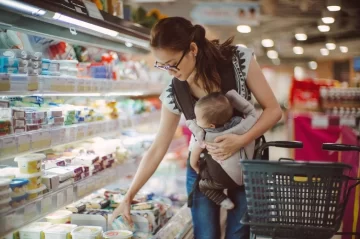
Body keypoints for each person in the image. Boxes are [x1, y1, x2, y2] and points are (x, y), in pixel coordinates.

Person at [111, 17, 282, 239]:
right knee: (205, 235)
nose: (169, 72)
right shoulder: (175, 93)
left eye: (172, 64)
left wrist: (241, 140)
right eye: (162, 65)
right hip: (204, 171)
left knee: (239, 235)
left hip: (246, 164)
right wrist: (128, 197)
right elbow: (158, 147)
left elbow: (273, 110)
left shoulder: (238, 60)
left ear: (192, 49)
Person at [186, 89, 258, 211]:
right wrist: (232, 96)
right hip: (245, 175)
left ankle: (223, 201)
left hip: (221, 180)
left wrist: (194, 166)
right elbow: (252, 113)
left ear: (211, 126)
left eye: (197, 118)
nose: (196, 120)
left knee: (203, 186)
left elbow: (195, 153)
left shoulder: (205, 135)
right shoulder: (242, 124)